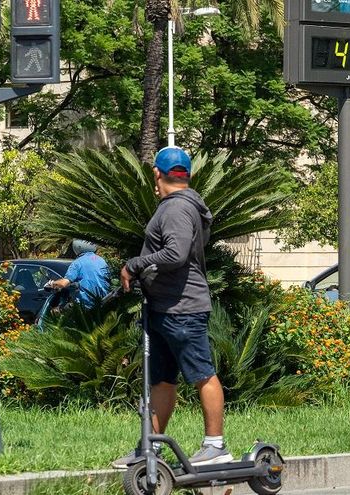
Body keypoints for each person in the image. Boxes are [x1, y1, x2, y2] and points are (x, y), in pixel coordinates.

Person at [112, 146, 231, 468]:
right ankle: (149, 449)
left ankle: (216, 446)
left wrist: (135, 265)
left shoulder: (177, 209)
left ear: (157, 174)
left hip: (183, 308)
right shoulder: (184, 206)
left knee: (202, 373)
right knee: (162, 380)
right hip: (166, 306)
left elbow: (176, 254)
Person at [47, 239, 110, 308]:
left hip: (86, 305)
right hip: (104, 303)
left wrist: (52, 284)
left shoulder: (78, 263)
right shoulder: (101, 260)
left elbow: (64, 283)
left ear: (77, 247)